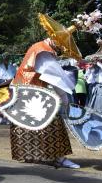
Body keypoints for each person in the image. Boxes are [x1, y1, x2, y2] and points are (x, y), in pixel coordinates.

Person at [10, 13, 81, 169]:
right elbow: (56, 78)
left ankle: (32, 155)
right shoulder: (43, 51)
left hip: (24, 89)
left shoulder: (39, 47)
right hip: (32, 91)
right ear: (55, 39)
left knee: (26, 123)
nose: (63, 49)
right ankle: (58, 158)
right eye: (62, 45)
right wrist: (65, 98)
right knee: (52, 121)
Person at [0, 55, 16, 125]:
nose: (6, 60)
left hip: (10, 84)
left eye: (7, 58)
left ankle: (8, 119)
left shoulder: (12, 67)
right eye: (5, 58)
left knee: (9, 101)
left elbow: (15, 76)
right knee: (0, 102)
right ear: (3, 59)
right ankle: (1, 118)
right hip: (1, 84)